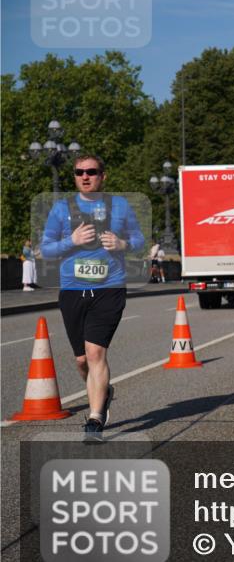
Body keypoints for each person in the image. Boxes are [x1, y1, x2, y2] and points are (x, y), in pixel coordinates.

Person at [40, 153, 145, 440]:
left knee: (96, 353)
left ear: (103, 175)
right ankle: (103, 391)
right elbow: (46, 249)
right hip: (73, 291)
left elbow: (138, 241)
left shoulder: (120, 206)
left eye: (91, 171)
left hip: (109, 289)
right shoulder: (62, 209)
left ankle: (95, 419)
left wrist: (123, 243)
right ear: (74, 176)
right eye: (79, 172)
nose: (85, 176)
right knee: (81, 361)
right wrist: (70, 241)